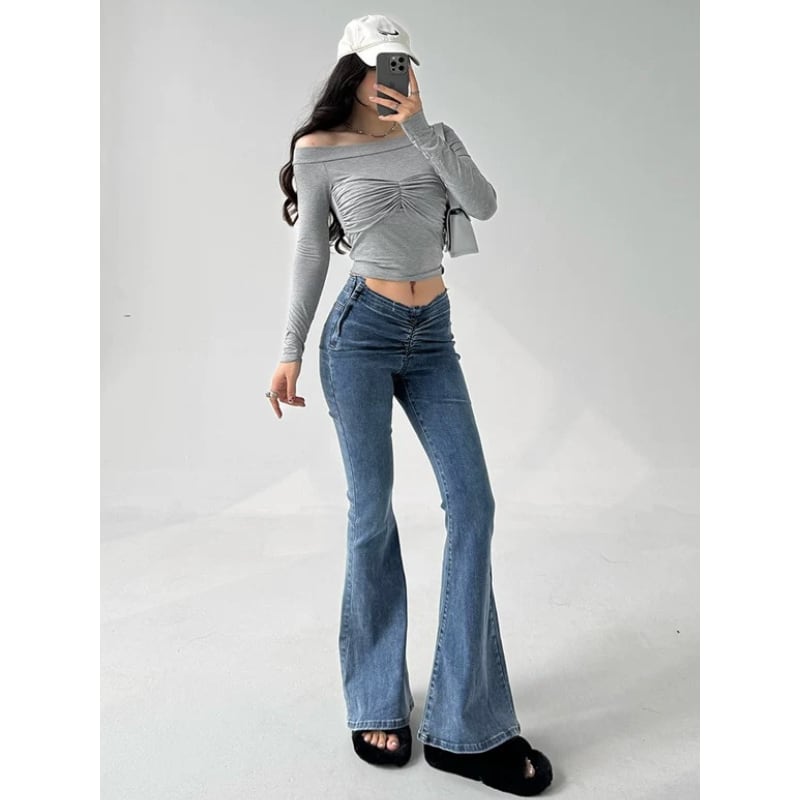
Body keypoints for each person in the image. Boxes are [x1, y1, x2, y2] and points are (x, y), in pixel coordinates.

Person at [266, 14, 553, 796]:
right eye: (376, 65)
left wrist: (421, 127)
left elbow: (483, 205)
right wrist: (290, 350)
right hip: (358, 333)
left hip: (433, 336)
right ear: (351, 73)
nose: (391, 75)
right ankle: (375, 699)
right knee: (371, 513)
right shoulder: (319, 150)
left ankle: (464, 727)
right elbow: (309, 252)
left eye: (400, 62)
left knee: (474, 505)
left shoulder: (435, 136)